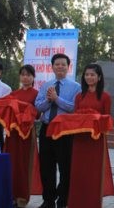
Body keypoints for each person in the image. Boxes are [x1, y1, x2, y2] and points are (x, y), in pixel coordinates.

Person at [35, 53, 81, 208]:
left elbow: (74, 108)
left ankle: (63, 200)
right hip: (47, 128)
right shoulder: (45, 85)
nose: (60, 67)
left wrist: (57, 99)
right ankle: (48, 200)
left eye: (63, 64)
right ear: (52, 67)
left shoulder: (76, 87)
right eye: (57, 64)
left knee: (65, 166)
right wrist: (49, 100)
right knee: (46, 166)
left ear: (68, 67)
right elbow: (38, 107)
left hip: (65, 131)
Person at [69, 63, 114, 208]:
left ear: (99, 77)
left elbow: (107, 119)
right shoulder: (79, 96)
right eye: (87, 74)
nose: (89, 77)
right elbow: (74, 117)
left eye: (92, 75)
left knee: (94, 174)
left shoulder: (105, 97)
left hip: (96, 140)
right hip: (79, 140)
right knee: (78, 173)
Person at [4, 65, 40, 208]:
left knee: (24, 164)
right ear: (20, 76)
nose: (25, 77)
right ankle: (11, 196)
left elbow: (38, 113)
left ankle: (22, 198)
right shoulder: (13, 94)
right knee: (11, 162)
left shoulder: (37, 94)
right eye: (23, 74)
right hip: (12, 133)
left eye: (29, 75)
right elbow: (1, 105)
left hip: (26, 134)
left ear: (33, 77)